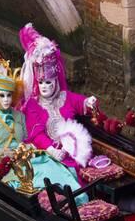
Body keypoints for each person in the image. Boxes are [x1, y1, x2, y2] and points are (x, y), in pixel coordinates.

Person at [0, 60, 88, 202]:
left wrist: (30, 147)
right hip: (4, 167)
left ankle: (78, 199)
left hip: (28, 158)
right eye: (2, 95)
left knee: (53, 167)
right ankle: (54, 204)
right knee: (36, 180)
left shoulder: (19, 115)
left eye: (9, 95)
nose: (6, 100)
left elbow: (28, 138)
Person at [19, 23, 98, 180]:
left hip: (74, 152)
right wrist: (51, 150)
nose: (44, 87)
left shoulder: (65, 97)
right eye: (41, 83)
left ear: (55, 81)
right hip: (49, 155)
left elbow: (81, 103)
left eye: (48, 82)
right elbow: (36, 135)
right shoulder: (33, 105)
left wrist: (90, 102)